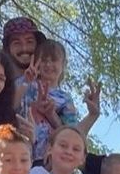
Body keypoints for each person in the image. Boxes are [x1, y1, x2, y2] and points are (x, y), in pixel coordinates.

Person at [17, 37, 101, 165]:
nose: (48, 65)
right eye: (44, 60)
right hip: (21, 150)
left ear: (63, 65)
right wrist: (26, 83)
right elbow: (10, 105)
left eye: (54, 60)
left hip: (48, 160)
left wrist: (51, 115)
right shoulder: (26, 83)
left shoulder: (65, 98)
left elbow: (71, 132)